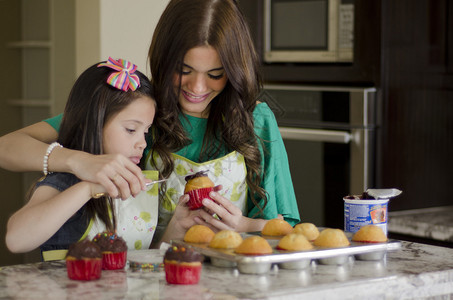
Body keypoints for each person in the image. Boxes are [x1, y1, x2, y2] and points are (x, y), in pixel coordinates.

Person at [0, 0, 300, 246]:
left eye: (215, 74)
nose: (197, 88)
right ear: (164, 58)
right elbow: (7, 147)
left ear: (235, 71)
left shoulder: (256, 120)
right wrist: (79, 162)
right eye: (184, 70)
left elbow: (284, 231)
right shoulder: (137, 108)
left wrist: (243, 224)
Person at [5, 58, 158, 261]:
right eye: (131, 129)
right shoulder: (65, 180)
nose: (142, 143)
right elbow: (16, 240)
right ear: (92, 124)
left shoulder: (138, 180)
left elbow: (148, 255)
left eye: (146, 132)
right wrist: (88, 189)